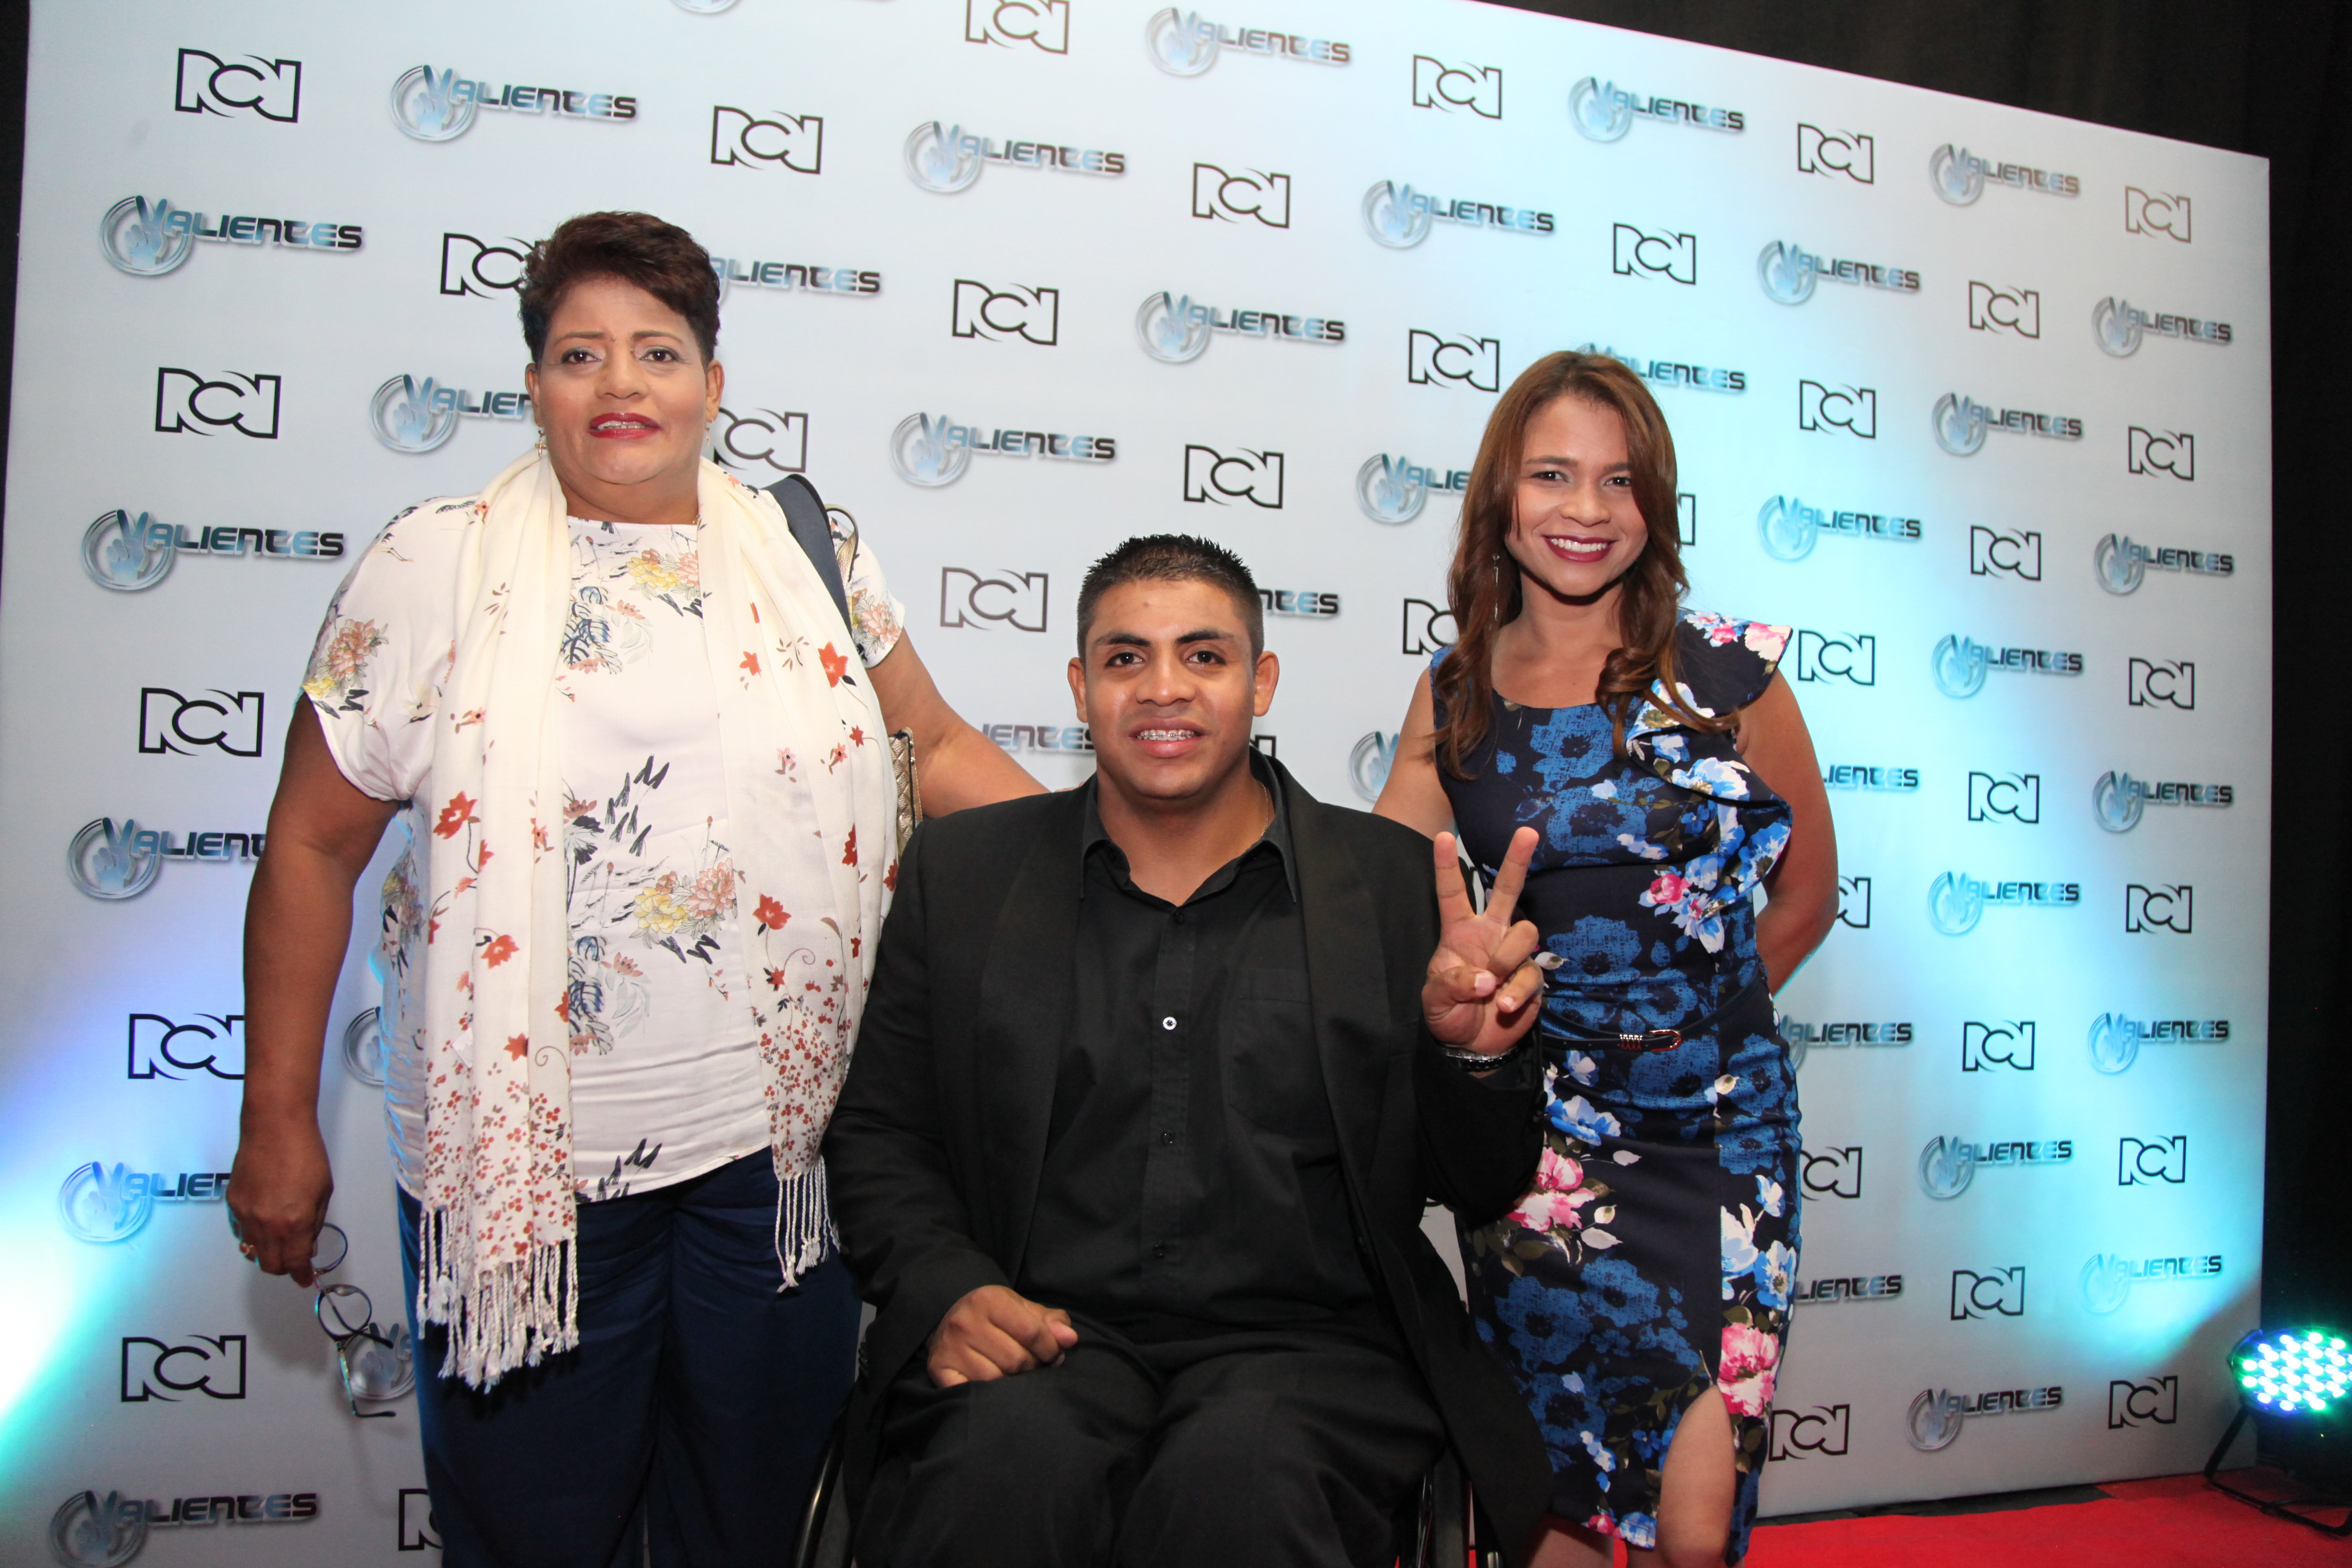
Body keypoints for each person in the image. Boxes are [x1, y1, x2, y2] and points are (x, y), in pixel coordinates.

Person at [224, 211, 1040, 1568]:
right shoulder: (434, 566)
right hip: (532, 1182)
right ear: (533, 383)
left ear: (712, 384)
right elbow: (310, 844)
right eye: (579, 353)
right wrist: (275, 1119)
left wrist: (1116, 850)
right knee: (537, 1535)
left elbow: (938, 746)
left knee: (753, 1527)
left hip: (776, 1169)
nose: (621, 384)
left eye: (657, 352)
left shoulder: (809, 550)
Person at [824, 535, 1565, 1568]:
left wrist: (1474, 1061)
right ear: (1081, 688)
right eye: (1125, 658)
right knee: (1001, 1475)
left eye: (1204, 656)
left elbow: (1478, 1182)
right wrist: (947, 1288)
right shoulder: (967, 874)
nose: (1163, 688)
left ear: (1262, 682)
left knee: (1242, 1492)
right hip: (1040, 1335)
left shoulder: (1391, 885)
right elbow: (882, 1134)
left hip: (1313, 1356)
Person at [1374, 351, 1838, 1568]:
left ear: (1655, 504)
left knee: (1694, 1520)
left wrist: (1699, 1032)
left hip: (1720, 1138)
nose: (1586, 509)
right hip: (1541, 1143)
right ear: (1499, 499)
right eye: (1552, 476)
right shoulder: (1455, 693)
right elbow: (1375, 894)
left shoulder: (1730, 673)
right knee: (1555, 1484)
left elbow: (1809, 895)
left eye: (1619, 480)